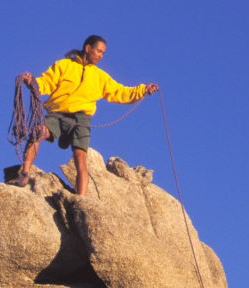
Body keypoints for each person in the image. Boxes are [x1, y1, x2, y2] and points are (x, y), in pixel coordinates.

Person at [11, 35, 159, 195]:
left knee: (80, 158)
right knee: (37, 132)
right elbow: (47, 82)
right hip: (58, 114)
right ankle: (24, 174)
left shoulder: (100, 77)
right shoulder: (64, 65)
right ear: (88, 48)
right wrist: (33, 82)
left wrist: (143, 90)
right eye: (99, 51)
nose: (101, 56)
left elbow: (120, 92)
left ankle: (81, 199)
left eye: (103, 53)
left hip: (81, 119)